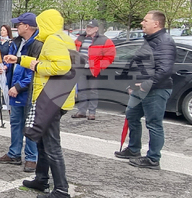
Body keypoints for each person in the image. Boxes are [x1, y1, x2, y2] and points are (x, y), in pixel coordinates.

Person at [19, 9, 77, 198]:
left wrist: (37, 67)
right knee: (43, 142)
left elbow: (61, 66)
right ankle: (41, 179)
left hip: (51, 99)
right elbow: (49, 62)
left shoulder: (52, 40)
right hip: (58, 97)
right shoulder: (63, 39)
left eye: (40, 23)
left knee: (51, 145)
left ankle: (61, 191)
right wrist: (20, 60)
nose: (38, 27)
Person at [115, 11, 175, 170]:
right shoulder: (151, 40)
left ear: (156, 24)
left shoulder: (164, 41)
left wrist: (146, 85)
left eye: (145, 20)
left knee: (154, 123)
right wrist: (132, 84)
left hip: (155, 90)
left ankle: (153, 159)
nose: (142, 23)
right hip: (140, 89)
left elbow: (165, 70)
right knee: (132, 116)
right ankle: (134, 149)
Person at [0, 14, 42, 173]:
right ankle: (14, 153)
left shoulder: (37, 45)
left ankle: (31, 158)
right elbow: (13, 62)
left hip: (28, 91)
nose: (16, 27)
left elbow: (35, 70)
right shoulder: (17, 42)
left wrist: (18, 86)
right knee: (16, 122)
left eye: (19, 24)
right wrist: (5, 67)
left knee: (30, 124)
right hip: (15, 88)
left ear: (27, 26)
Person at [72, 20, 116, 120]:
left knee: (93, 91)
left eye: (91, 27)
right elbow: (74, 50)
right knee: (82, 90)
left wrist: (99, 66)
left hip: (94, 70)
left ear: (96, 29)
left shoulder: (104, 40)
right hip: (81, 68)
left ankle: (92, 113)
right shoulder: (80, 38)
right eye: (87, 27)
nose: (88, 29)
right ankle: (82, 111)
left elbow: (110, 56)